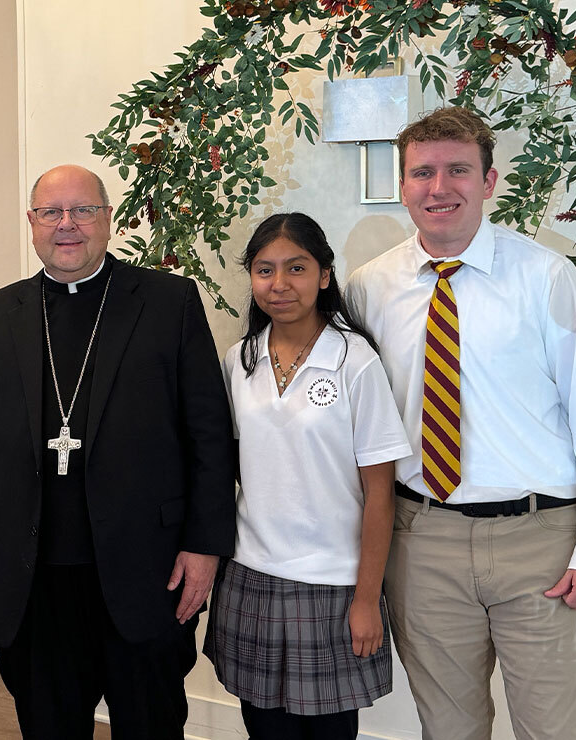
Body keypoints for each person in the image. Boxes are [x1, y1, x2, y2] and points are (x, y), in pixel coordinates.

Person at [344, 107, 576, 739]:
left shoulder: (546, 278)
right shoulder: (370, 288)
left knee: (554, 731)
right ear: (403, 186)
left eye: (457, 170)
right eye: (422, 172)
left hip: (541, 544)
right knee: (449, 730)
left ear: (490, 180)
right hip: (421, 542)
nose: (438, 187)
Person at [0, 164, 235, 739]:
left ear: (108, 219)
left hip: (147, 570)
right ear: (31, 224)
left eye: (82, 211)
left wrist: (205, 545)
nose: (66, 225)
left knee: (149, 725)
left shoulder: (168, 303)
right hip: (32, 579)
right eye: (51, 212)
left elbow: (209, 435)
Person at [205, 213, 411, 739]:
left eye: (296, 268)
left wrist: (367, 599)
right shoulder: (239, 361)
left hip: (334, 587)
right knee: (264, 730)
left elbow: (380, 493)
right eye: (264, 270)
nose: (279, 285)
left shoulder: (354, 361)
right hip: (251, 577)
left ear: (323, 275)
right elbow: (221, 472)